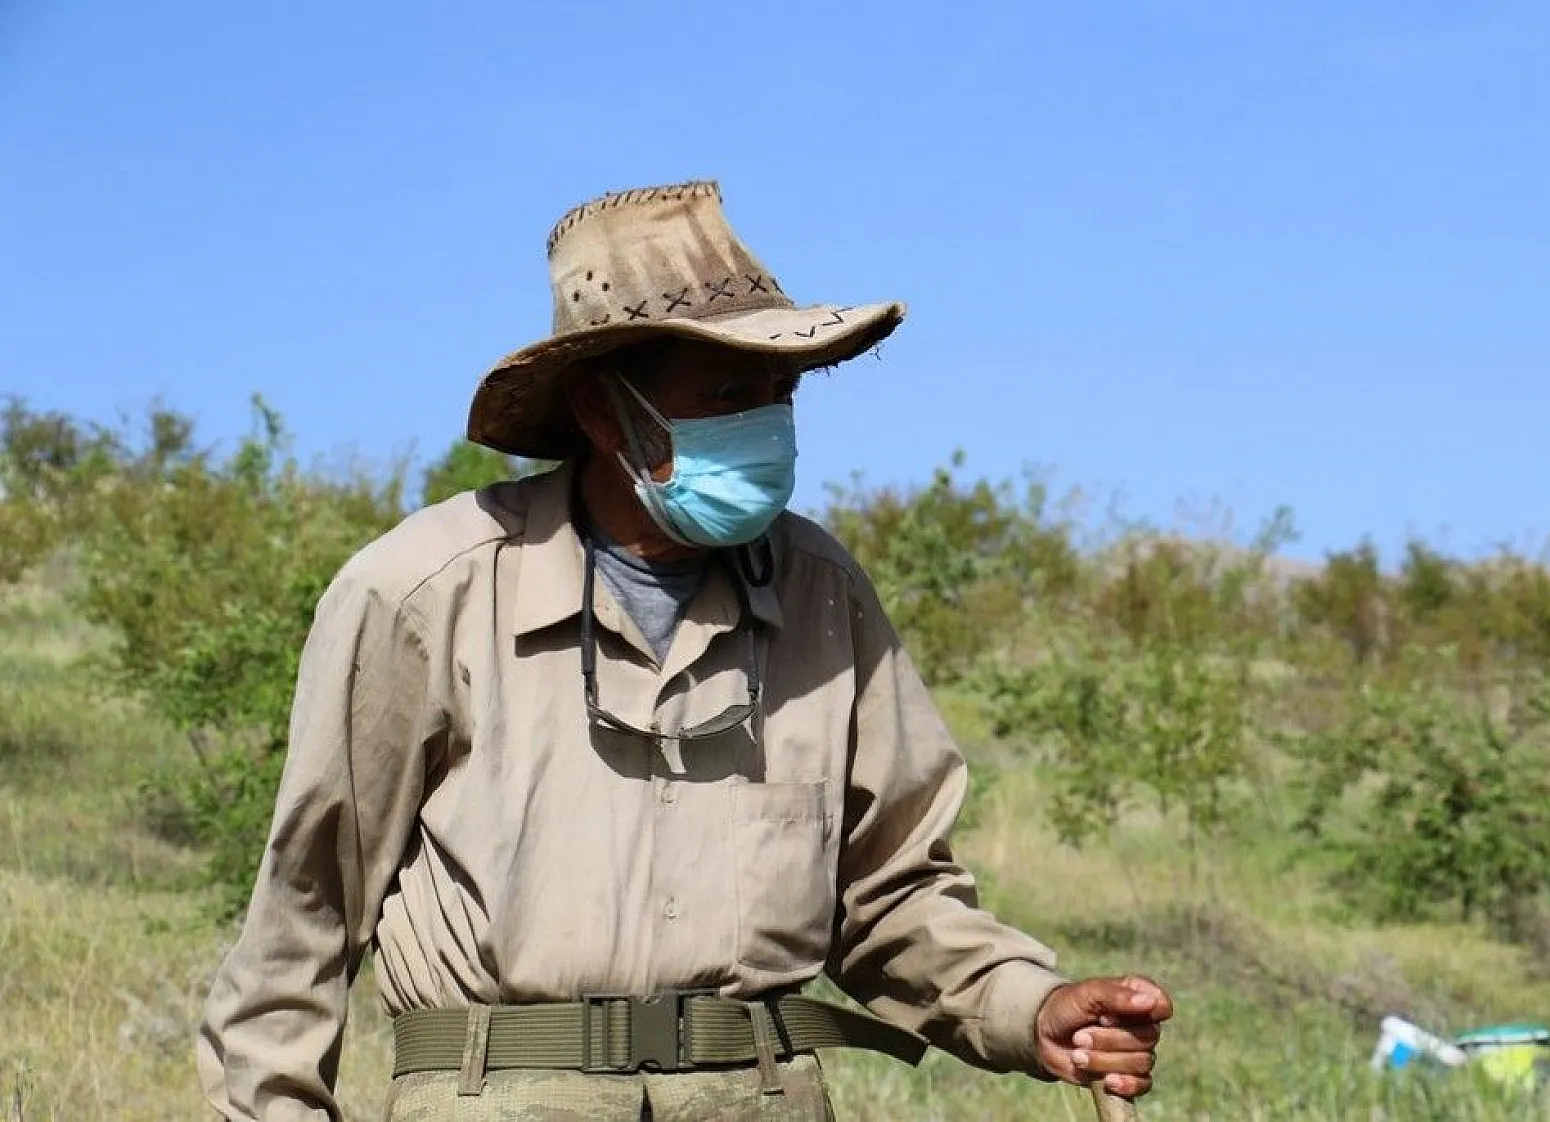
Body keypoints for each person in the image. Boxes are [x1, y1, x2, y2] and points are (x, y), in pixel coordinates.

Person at [197, 180, 1173, 1121]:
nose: (764, 420)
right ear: (600, 411)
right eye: (723, 389)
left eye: (775, 390)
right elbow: (304, 920)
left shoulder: (819, 593)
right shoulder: (424, 593)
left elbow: (894, 893)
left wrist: (1028, 1007)